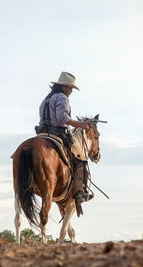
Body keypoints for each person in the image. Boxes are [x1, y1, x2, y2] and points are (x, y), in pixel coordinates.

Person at [37, 71, 92, 205]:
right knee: (80, 159)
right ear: (64, 87)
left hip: (42, 133)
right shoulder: (62, 97)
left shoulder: (46, 99)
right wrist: (81, 125)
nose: (71, 91)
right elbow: (62, 118)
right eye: (70, 88)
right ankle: (79, 193)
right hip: (57, 133)